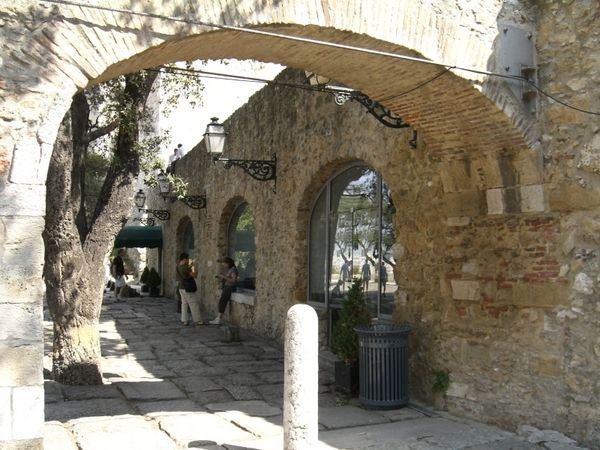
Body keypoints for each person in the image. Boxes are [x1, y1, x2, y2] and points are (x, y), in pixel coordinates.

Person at [176, 253, 203, 326]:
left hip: (181, 287)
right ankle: (198, 320)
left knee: (184, 304)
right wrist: (194, 266)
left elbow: (185, 272)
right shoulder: (184, 266)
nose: (188, 260)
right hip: (187, 288)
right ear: (185, 259)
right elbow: (194, 275)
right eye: (187, 259)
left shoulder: (178, 266)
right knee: (193, 303)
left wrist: (191, 265)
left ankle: (185, 320)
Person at [209, 256, 238, 325]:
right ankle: (218, 318)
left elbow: (234, 280)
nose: (224, 265)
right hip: (227, 286)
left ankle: (218, 318)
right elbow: (228, 277)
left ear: (228, 263)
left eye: (225, 263)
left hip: (230, 287)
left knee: (223, 301)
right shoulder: (230, 269)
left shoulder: (233, 269)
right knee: (222, 301)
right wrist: (221, 276)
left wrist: (224, 277)